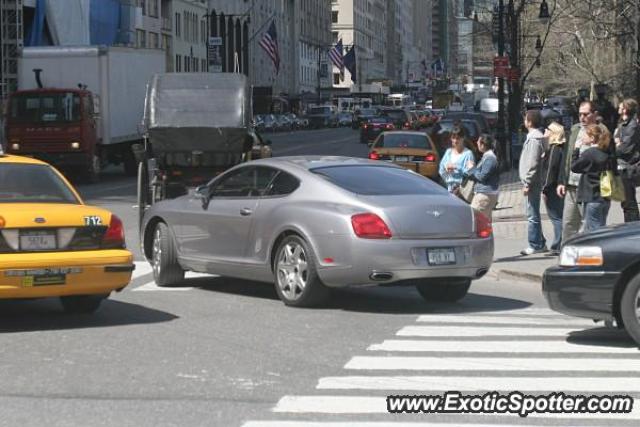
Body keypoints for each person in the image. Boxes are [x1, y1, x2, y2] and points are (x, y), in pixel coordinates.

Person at [556, 101, 597, 246]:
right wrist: (561, 181)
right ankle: (566, 258)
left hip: (589, 188)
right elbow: (566, 156)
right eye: (580, 114)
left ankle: (587, 260)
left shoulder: (601, 131)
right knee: (568, 224)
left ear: (595, 114)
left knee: (588, 227)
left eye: (586, 114)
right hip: (571, 186)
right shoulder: (574, 130)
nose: (582, 117)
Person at [571, 124, 613, 231]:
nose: (582, 138)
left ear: (592, 138)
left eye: (585, 135)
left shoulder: (589, 153)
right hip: (604, 197)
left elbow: (574, 167)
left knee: (594, 232)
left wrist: (576, 149)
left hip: (592, 197)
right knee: (601, 228)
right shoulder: (606, 153)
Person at [519, 109, 548, 255]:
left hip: (532, 182)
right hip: (533, 181)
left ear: (529, 122)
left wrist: (527, 182)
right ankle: (540, 241)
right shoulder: (534, 137)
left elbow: (533, 163)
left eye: (525, 119)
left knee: (532, 214)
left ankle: (535, 244)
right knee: (532, 212)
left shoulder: (535, 139)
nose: (524, 121)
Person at [542, 121, 566, 255]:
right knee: (559, 215)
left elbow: (551, 170)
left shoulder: (555, 149)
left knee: (556, 216)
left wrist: (545, 188)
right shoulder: (561, 147)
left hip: (552, 187)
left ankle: (558, 244)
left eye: (548, 130)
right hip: (557, 185)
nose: (545, 133)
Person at [614, 98, 640, 223]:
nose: (618, 107)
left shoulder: (632, 125)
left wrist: (617, 144)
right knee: (625, 201)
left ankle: (633, 228)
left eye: (621, 105)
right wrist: (617, 142)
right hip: (622, 166)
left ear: (625, 108)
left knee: (629, 201)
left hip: (628, 167)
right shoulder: (622, 124)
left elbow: (625, 149)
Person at [464, 134, 500, 221]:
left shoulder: (490, 159)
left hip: (484, 195)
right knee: (485, 223)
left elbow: (482, 177)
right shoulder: (486, 157)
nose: (476, 142)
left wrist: (472, 169)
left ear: (483, 145)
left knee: (475, 221)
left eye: (478, 141)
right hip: (485, 193)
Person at [438, 125, 475, 194]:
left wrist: (456, 167)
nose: (455, 140)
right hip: (449, 189)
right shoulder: (448, 152)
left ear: (463, 138)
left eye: (457, 138)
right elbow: (441, 169)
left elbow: (470, 173)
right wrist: (446, 168)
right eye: (453, 138)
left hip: (462, 191)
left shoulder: (468, 154)